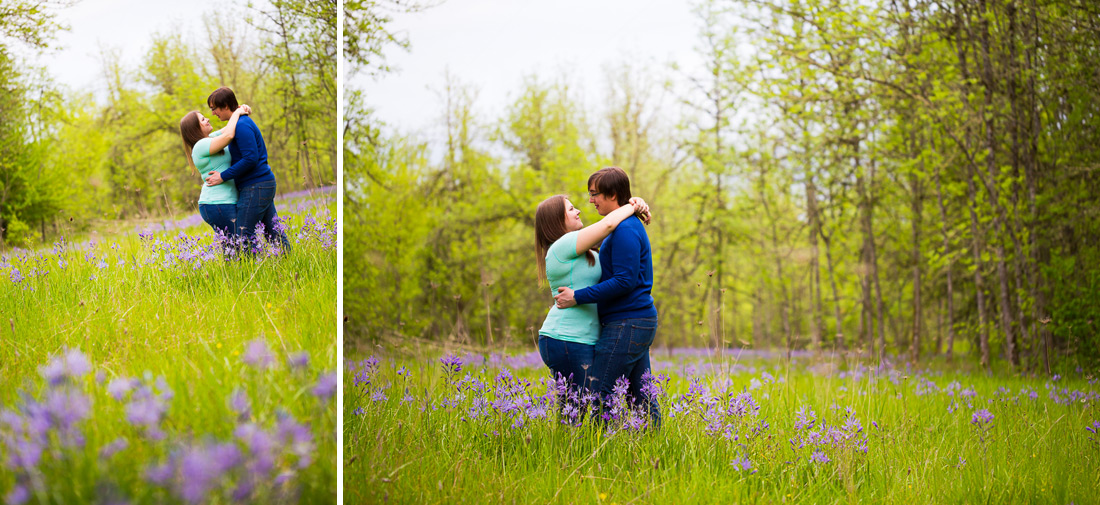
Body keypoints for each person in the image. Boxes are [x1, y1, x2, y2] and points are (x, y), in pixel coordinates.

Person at [554, 167, 660, 427]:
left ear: (612, 194)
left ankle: (596, 450)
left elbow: (624, 281)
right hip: (634, 321)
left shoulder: (624, 229)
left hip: (628, 322)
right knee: (639, 396)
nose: (591, 200)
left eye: (595, 194)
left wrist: (577, 296)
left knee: (599, 393)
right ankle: (654, 448)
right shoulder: (621, 227)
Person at [535, 194, 649, 397]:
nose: (578, 211)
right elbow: (607, 225)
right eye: (570, 209)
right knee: (582, 406)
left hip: (582, 338)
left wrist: (637, 202)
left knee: (580, 408)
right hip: (566, 337)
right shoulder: (562, 246)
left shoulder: (585, 252)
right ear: (556, 220)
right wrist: (632, 205)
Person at [202, 87, 290, 252]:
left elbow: (250, 159)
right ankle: (288, 263)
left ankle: (249, 271)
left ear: (226, 105)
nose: (213, 113)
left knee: (243, 233)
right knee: (273, 232)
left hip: (256, 185)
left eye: (214, 108)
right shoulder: (237, 123)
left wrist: (223, 176)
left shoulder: (242, 125)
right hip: (260, 184)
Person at [178, 105, 251, 235]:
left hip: (222, 202)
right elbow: (229, 135)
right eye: (202, 119)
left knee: (234, 246)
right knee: (239, 244)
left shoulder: (210, 138)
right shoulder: (201, 146)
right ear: (195, 128)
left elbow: (229, 128)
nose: (207, 119)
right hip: (218, 203)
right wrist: (238, 112)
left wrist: (242, 110)